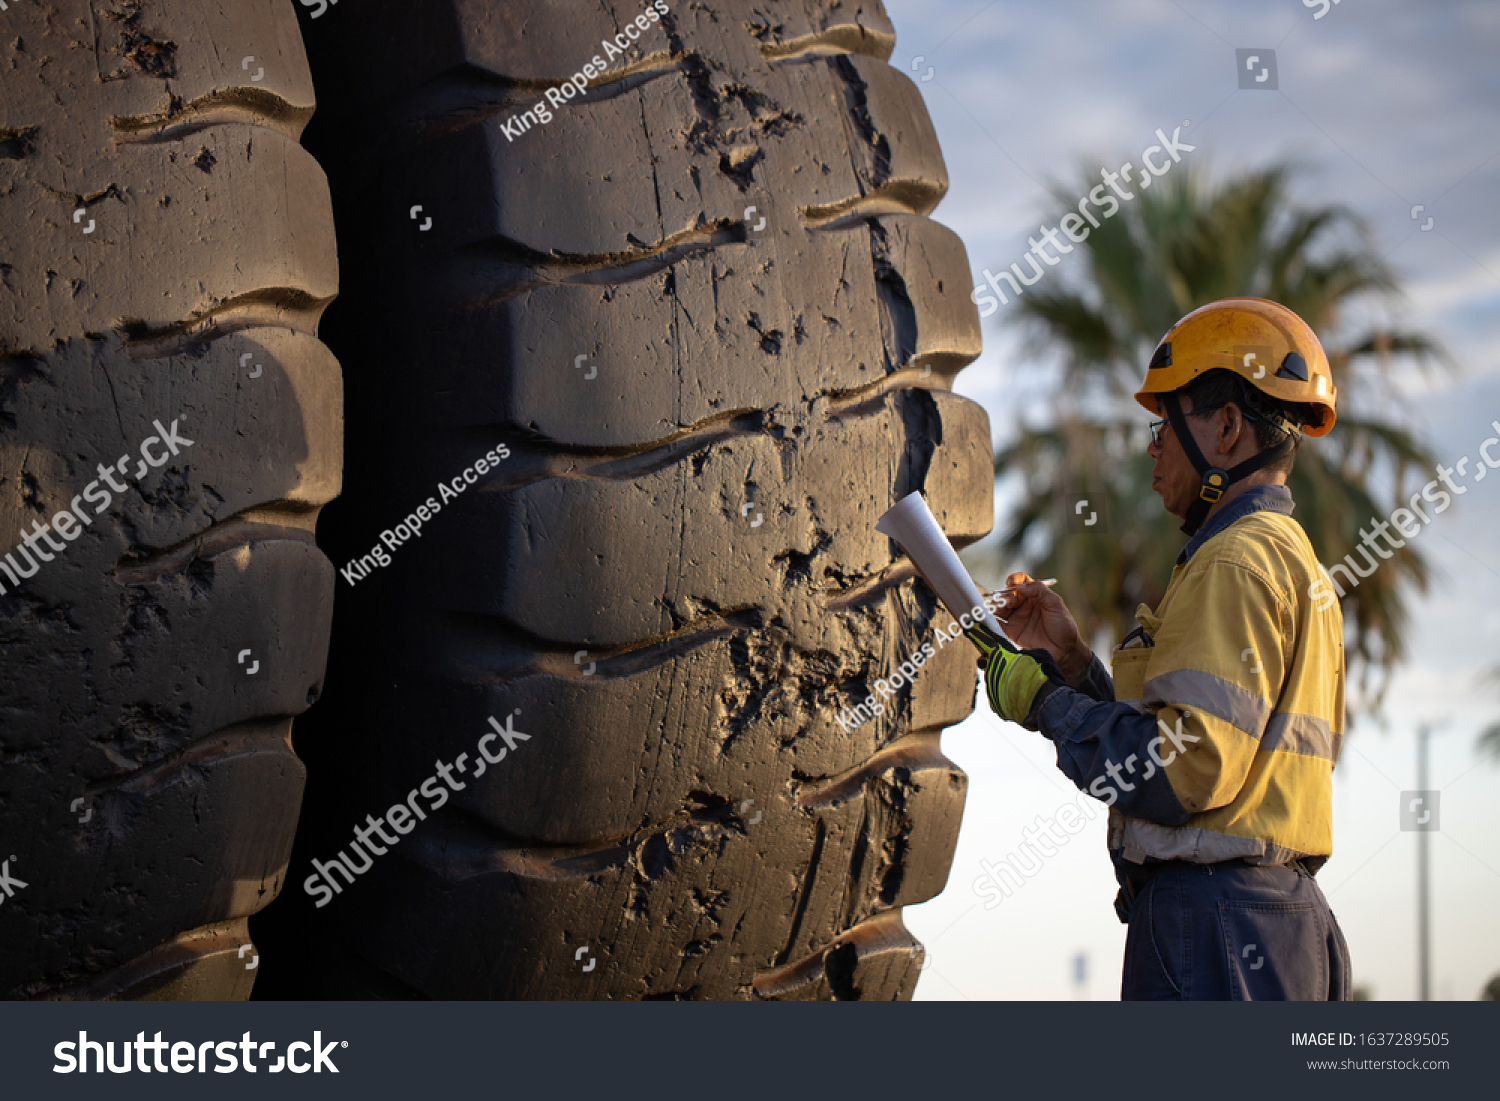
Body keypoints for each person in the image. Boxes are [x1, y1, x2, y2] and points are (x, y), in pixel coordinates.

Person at [967, 297, 1352, 1000]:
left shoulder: (1233, 561)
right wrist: (1076, 665)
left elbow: (1183, 771)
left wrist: (1043, 700)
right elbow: (1206, 741)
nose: (1154, 447)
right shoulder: (1287, 557)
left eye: (1165, 424)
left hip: (1216, 926)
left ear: (1228, 428)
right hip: (1275, 924)